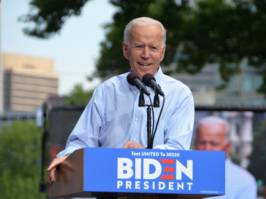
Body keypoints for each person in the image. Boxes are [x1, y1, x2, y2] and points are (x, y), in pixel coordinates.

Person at [48, 17, 195, 182]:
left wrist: (146, 155)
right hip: (108, 187)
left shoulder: (180, 94)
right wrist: (67, 156)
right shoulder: (107, 91)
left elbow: (178, 150)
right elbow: (82, 141)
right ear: (126, 50)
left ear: (162, 53)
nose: (146, 54)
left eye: (153, 47)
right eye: (139, 46)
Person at [195, 116, 257, 199]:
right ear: (195, 144)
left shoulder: (244, 181)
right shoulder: (181, 175)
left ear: (227, 147)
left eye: (214, 144)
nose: (207, 149)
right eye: (202, 143)